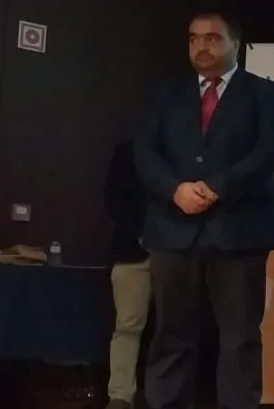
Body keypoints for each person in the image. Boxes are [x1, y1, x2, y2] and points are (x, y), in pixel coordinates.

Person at [133, 10, 274, 409]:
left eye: (212, 38)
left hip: (240, 230)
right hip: (173, 228)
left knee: (240, 336)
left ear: (236, 44)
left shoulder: (267, 94)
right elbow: (145, 151)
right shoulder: (165, 94)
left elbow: (269, 151)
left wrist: (218, 188)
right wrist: (175, 190)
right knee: (171, 333)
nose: (201, 46)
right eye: (194, 38)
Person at [104, 138, 151, 409]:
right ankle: (120, 396)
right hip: (132, 250)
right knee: (127, 326)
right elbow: (113, 199)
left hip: (178, 252)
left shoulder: (191, 152)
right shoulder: (130, 150)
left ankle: (166, 394)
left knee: (176, 328)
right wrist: (140, 234)